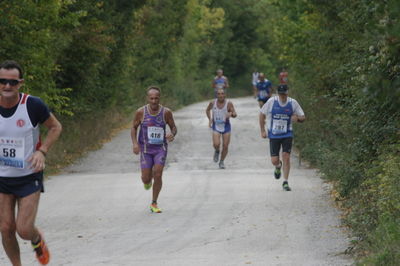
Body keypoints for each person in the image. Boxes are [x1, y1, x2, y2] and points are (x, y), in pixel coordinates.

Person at [0, 60, 62, 265]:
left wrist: (42, 152)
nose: (7, 86)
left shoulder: (32, 105)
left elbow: (55, 127)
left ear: (21, 83)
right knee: (6, 228)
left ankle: (36, 239)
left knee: (24, 229)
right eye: (2, 81)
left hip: (28, 175)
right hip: (2, 178)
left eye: (13, 82)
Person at [131, 86, 177, 213]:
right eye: (151, 98)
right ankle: (147, 181)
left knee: (158, 173)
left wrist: (172, 134)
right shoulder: (140, 112)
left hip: (160, 149)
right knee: (146, 178)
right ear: (147, 98)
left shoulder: (166, 112)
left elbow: (174, 127)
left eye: (156, 98)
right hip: (145, 149)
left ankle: (154, 202)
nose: (154, 101)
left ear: (159, 98)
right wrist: (135, 144)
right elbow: (134, 128)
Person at [259, 84, 305, 191]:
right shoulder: (271, 101)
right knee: (274, 160)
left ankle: (285, 182)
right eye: (280, 94)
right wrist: (262, 130)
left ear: (287, 93)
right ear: (278, 93)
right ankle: (278, 166)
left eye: (284, 94)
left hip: (287, 134)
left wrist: (297, 118)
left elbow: (303, 117)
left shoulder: (292, 103)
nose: (282, 96)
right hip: (274, 134)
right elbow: (261, 114)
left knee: (286, 156)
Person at [206, 88, 237, 169]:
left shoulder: (229, 103)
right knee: (216, 144)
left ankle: (222, 161)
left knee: (225, 146)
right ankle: (217, 151)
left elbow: (235, 114)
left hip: (226, 126)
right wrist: (210, 120)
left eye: (222, 94)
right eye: (219, 94)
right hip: (216, 126)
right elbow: (207, 110)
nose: (220, 95)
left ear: (225, 95)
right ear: (216, 95)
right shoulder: (213, 103)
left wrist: (231, 114)